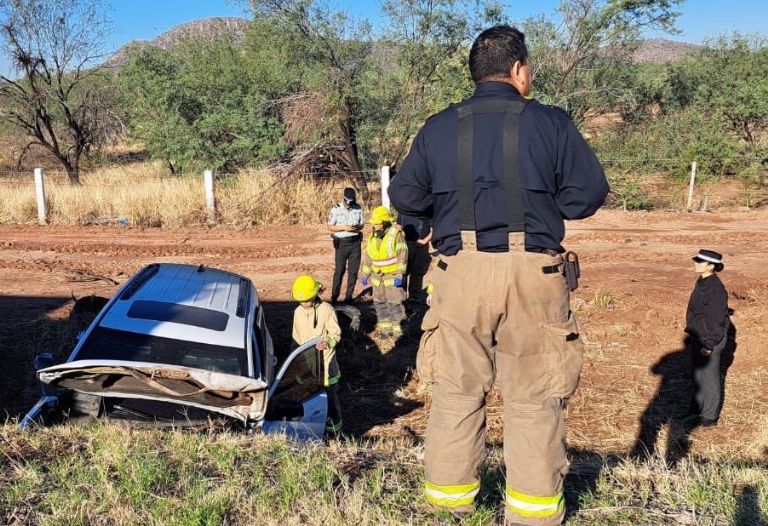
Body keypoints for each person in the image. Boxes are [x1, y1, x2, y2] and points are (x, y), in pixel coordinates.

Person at [388, 25, 609, 525]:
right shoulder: (551, 124)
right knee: (534, 397)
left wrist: (433, 216)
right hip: (534, 276)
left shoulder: (439, 127)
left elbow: (405, 196)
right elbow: (587, 194)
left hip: (459, 275)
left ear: (476, 74)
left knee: (456, 393)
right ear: (518, 70)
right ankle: (532, 514)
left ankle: (448, 509)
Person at [291, 274, 343, 435]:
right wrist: (294, 360)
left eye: (307, 300)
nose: (304, 304)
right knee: (311, 401)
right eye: (301, 301)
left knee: (331, 402)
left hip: (326, 367)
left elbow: (335, 334)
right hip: (307, 367)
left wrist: (327, 342)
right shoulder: (298, 313)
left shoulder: (326, 310)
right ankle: (315, 429)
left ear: (315, 295)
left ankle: (335, 432)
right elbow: (295, 338)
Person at [685, 249, 730, 428]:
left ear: (711, 266)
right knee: (698, 375)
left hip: (709, 338)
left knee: (709, 378)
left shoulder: (716, 289)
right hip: (699, 336)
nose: (695, 263)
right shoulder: (703, 281)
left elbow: (717, 319)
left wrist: (709, 344)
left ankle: (709, 417)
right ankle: (697, 409)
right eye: (696, 260)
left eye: (700, 261)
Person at [361, 206, 408, 338]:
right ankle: (385, 329)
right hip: (377, 276)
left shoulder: (396, 235)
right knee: (379, 303)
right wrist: (365, 274)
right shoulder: (372, 236)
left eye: (377, 224)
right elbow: (368, 256)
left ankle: (399, 332)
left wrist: (400, 274)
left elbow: (402, 254)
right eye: (373, 224)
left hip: (392, 275)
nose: (374, 226)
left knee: (395, 304)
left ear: (385, 223)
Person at [327, 187, 364, 304]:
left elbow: (362, 224)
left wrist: (356, 227)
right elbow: (330, 226)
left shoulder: (358, 208)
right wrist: (344, 227)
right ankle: (334, 296)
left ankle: (349, 296)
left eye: (351, 202)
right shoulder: (336, 209)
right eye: (348, 202)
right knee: (339, 270)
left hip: (355, 242)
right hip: (342, 243)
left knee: (353, 271)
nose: (349, 205)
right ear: (344, 198)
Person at [396, 212, 433, 305]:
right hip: (405, 244)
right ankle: (401, 298)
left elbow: (433, 229)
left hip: (422, 246)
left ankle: (414, 298)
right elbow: (398, 227)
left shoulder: (428, 210)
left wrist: (424, 241)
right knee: (403, 271)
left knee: (417, 272)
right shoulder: (404, 210)